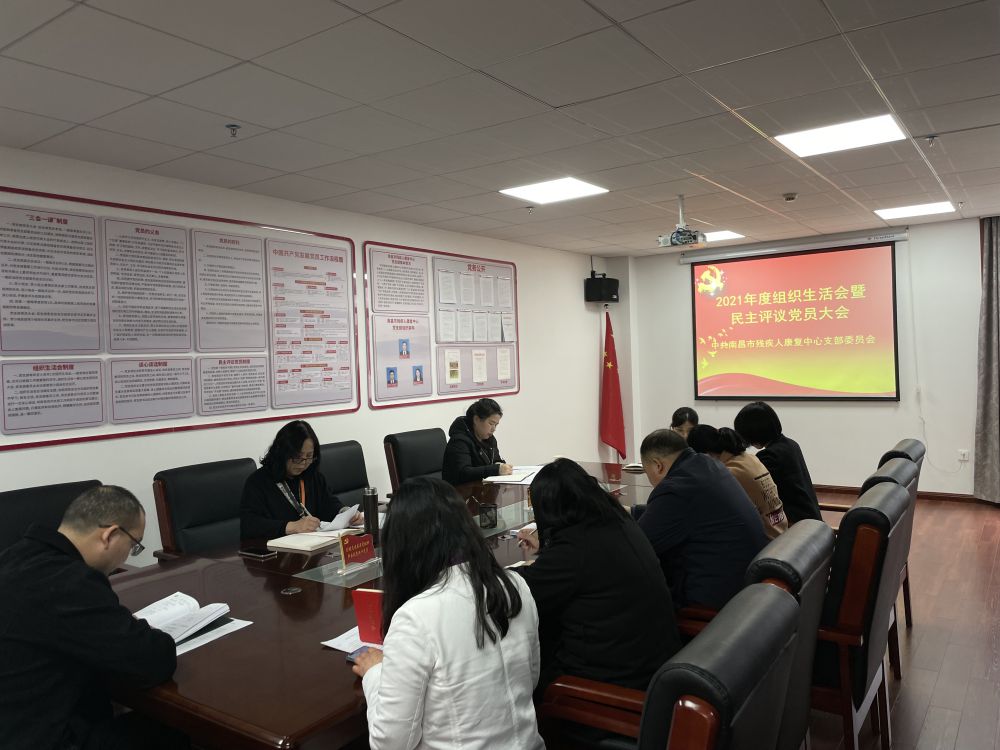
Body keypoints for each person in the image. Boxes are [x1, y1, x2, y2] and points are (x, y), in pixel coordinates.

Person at [351, 478, 544, 750]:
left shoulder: (415, 617)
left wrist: (374, 674)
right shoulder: (515, 585)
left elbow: (390, 743)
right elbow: (530, 678)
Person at [0, 486, 179, 750]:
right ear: (110, 535)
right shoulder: (70, 582)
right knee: (173, 732)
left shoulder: (13, 556)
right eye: (134, 545)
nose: (128, 555)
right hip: (39, 737)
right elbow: (152, 660)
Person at [515, 459, 681, 693]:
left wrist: (488, 570)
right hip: (651, 661)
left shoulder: (575, 549)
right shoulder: (617, 520)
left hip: (614, 682)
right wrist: (548, 548)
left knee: (524, 667)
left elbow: (522, 589)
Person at [637, 429, 769, 610]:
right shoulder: (709, 465)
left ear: (657, 466)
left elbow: (637, 545)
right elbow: (678, 515)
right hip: (747, 587)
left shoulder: (676, 487)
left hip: (715, 605)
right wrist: (632, 511)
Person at [240, 420, 360, 540]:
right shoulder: (258, 482)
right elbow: (250, 525)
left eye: (309, 456)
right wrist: (291, 526)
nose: (303, 464)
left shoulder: (312, 476)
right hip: (274, 548)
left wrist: (346, 513)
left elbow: (328, 503)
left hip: (311, 545)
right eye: (297, 457)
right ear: (282, 453)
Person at [687, 424, 788, 539]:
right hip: (780, 531)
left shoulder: (727, 473)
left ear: (704, 455)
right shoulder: (749, 458)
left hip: (766, 539)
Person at [734, 402, 822, 524]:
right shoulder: (791, 444)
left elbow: (756, 494)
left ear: (753, 432)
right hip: (811, 517)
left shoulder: (769, 456)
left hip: (795, 524)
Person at [442, 398, 513, 485]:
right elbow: (463, 473)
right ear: (476, 419)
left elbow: (495, 461)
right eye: (491, 423)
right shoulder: (459, 441)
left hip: (483, 489)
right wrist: (496, 469)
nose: (493, 429)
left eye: (496, 425)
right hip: (460, 491)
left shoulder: (490, 439)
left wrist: (500, 464)